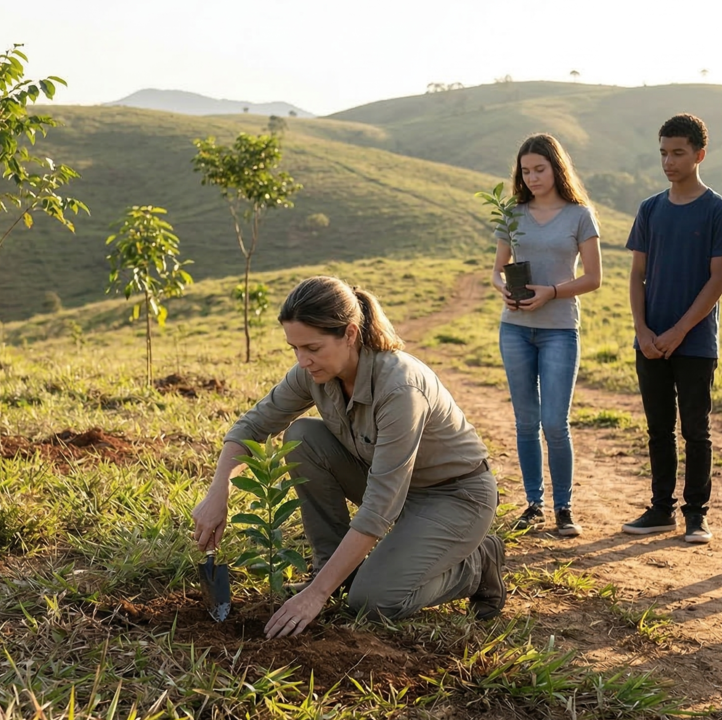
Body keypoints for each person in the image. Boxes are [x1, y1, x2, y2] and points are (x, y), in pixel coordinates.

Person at [191, 276, 505, 638]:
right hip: (395, 488)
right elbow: (252, 426)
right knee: (303, 437)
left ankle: (477, 564)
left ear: (350, 334)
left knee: (373, 602)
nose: (303, 360)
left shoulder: (400, 388)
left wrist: (315, 595)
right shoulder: (315, 372)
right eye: (294, 348)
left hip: (454, 496)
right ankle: (337, 575)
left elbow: (379, 508)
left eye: (312, 347)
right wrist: (219, 492)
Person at [622, 114, 722, 543]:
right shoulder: (650, 209)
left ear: (699, 154)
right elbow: (637, 275)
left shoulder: (718, 210)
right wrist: (642, 330)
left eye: (677, 153)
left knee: (695, 430)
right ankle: (660, 509)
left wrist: (679, 331)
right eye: (663, 153)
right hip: (650, 342)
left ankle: (696, 514)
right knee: (658, 430)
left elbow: (718, 281)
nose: (668, 162)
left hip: (696, 344)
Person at [492, 133, 602, 536]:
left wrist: (552, 292)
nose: (533, 177)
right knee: (526, 422)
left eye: (540, 169)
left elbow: (593, 278)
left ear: (557, 168)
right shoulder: (511, 214)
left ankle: (564, 508)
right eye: (526, 171)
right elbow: (497, 270)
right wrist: (502, 289)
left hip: (559, 330)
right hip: (515, 329)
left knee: (555, 423)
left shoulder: (579, 215)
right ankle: (533, 505)